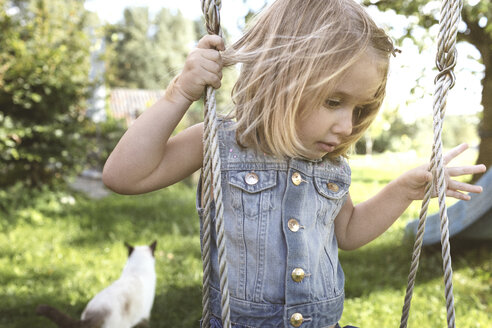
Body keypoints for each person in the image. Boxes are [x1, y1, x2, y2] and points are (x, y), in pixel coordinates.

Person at [102, 0, 486, 327]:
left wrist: (403, 190)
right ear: (279, 78)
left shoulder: (332, 164)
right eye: (334, 102)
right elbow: (124, 176)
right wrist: (179, 93)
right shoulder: (222, 142)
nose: (347, 125)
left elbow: (348, 232)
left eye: (360, 108)